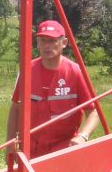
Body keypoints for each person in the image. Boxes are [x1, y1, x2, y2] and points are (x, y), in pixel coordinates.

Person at [6, 19, 100, 158]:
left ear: (64, 43)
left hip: (64, 150)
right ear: (37, 43)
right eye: (43, 40)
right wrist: (10, 145)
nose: (47, 46)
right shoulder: (27, 71)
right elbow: (15, 108)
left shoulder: (75, 72)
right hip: (32, 151)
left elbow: (93, 112)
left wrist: (82, 136)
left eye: (52, 41)